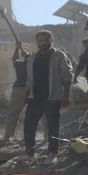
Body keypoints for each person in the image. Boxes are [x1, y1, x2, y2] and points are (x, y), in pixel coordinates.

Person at [23, 30, 73, 159]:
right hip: (35, 97)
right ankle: (29, 153)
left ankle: (52, 153)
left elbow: (67, 77)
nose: (43, 43)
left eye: (46, 40)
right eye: (40, 41)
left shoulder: (58, 56)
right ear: (37, 42)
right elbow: (29, 80)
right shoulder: (33, 58)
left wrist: (65, 95)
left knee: (52, 127)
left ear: (51, 40)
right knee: (29, 125)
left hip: (53, 97)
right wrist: (26, 95)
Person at [2, 41, 31, 141]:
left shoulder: (21, 65)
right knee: (31, 113)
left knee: (14, 113)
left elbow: (15, 59)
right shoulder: (29, 64)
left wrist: (17, 49)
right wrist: (21, 51)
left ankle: (8, 135)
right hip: (28, 89)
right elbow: (16, 59)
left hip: (19, 89)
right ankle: (26, 136)